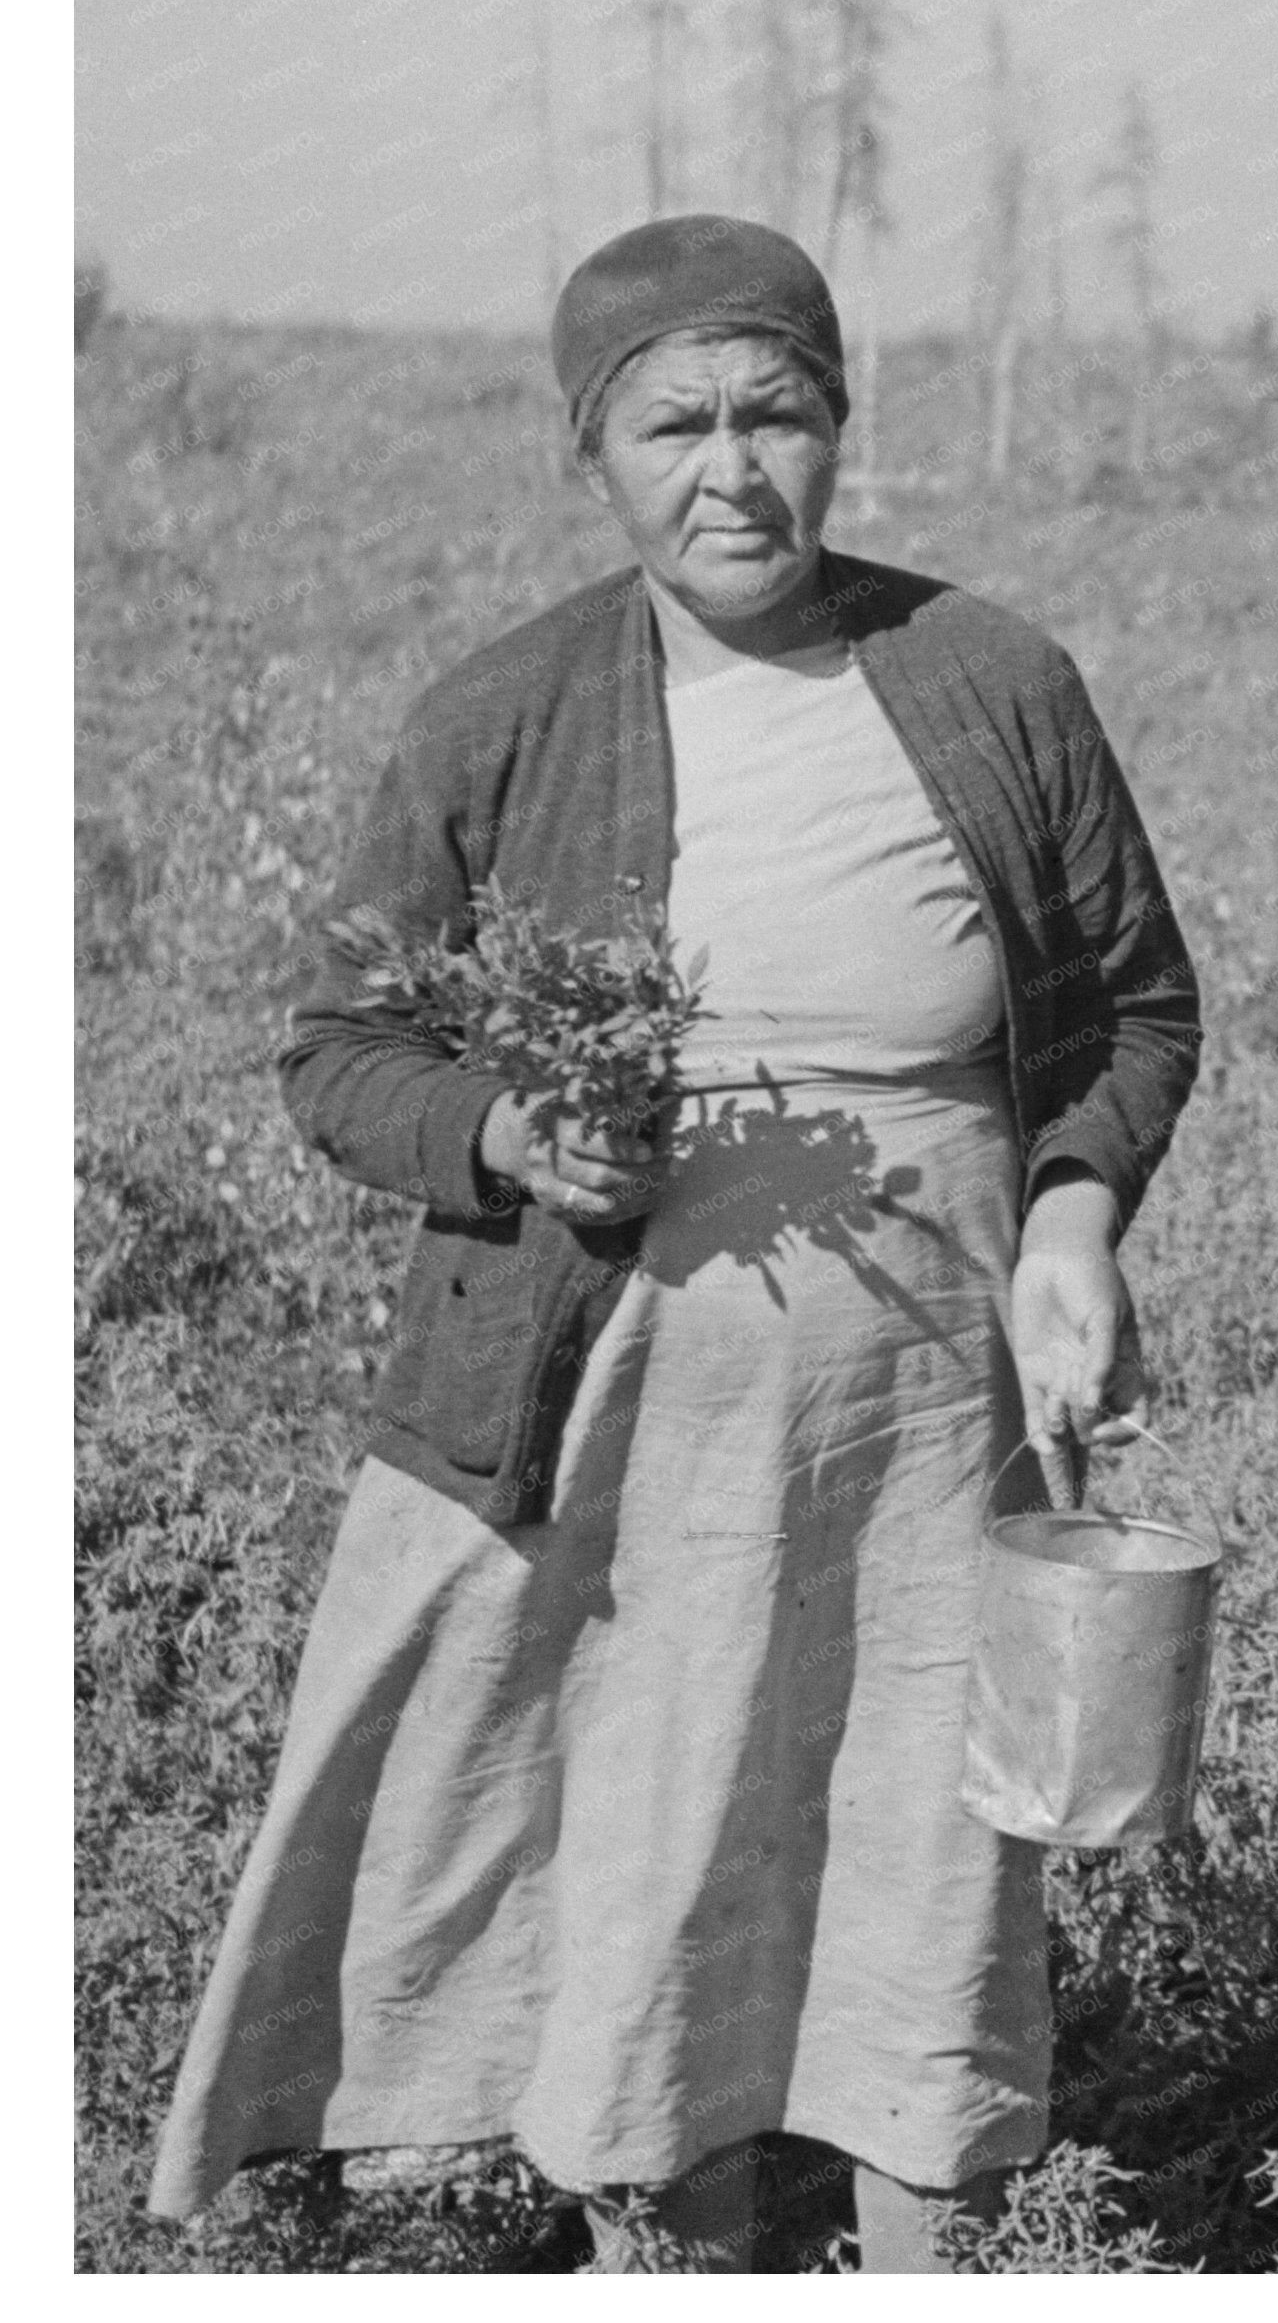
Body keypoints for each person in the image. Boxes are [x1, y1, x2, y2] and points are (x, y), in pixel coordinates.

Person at [144, 215, 1200, 2269]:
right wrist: (509, 1134)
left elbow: (1133, 1009)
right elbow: (341, 1043)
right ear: (593, 454)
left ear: (839, 424)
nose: (734, 470)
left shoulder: (988, 681)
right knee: (652, 1832)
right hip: (615, 1415)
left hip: (926, 1412)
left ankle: (923, 2261)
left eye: (778, 413)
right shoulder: (509, 712)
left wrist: (1074, 1213)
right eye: (675, 425)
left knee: (926, 1846)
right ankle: (672, 2251)